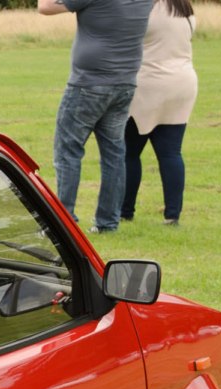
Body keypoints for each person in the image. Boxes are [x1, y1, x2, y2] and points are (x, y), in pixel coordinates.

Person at [38, 0, 154, 234]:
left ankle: (64, 221)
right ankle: (108, 222)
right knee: (114, 154)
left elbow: (46, 7)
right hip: (125, 82)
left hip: (89, 83)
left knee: (68, 152)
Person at [122, 0, 197, 226]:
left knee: (130, 152)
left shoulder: (145, 9)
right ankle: (172, 214)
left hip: (148, 83)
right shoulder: (186, 11)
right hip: (182, 82)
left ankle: (125, 209)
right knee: (171, 152)